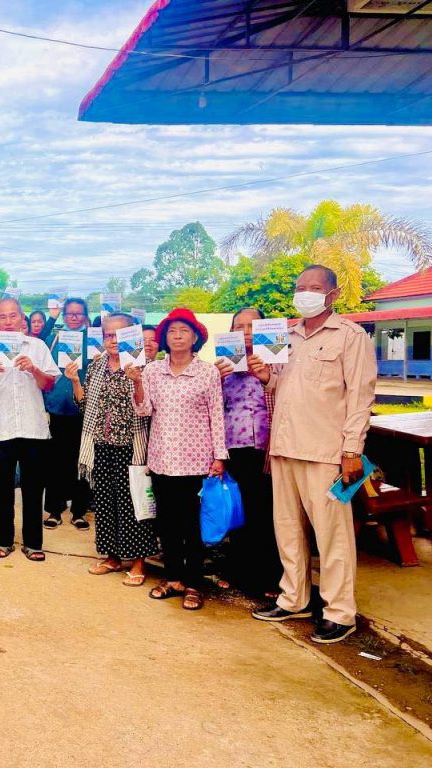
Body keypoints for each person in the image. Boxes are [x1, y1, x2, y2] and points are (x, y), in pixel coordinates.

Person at [249, 265, 376, 644]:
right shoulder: (287, 336)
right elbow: (287, 387)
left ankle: (339, 612)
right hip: (284, 447)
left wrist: (352, 451)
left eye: (315, 288)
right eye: (300, 287)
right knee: (287, 529)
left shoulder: (350, 336)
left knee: (333, 536)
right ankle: (294, 599)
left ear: (333, 295)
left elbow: (360, 396)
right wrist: (267, 378)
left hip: (326, 452)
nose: (305, 293)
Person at [129, 308, 227, 611]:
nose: (178, 336)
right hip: (162, 459)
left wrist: (219, 456)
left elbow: (216, 415)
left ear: (195, 337)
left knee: (192, 526)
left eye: (184, 331)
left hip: (196, 461)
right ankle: (172, 578)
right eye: (172, 331)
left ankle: (194, 583)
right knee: (168, 523)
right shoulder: (153, 371)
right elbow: (144, 410)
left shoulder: (207, 372)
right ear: (165, 338)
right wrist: (137, 383)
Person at [69, 312, 154, 586]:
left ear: (132, 335)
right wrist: (75, 381)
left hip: (133, 446)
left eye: (119, 334)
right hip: (101, 444)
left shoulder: (145, 366)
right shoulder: (96, 366)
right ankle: (112, 557)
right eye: (108, 335)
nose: (113, 340)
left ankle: (138, 562)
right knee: (105, 503)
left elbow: (149, 407)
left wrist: (137, 380)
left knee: (134, 505)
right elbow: (84, 407)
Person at [0, 297, 59, 561]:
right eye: (2, 317)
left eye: (13, 316)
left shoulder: (37, 346)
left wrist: (33, 369)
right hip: (1, 429)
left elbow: (49, 384)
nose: (8, 321)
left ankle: (33, 543)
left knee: (33, 489)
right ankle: (3, 540)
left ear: (23, 319)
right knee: (1, 489)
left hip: (33, 429)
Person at [215, 308, 281, 598]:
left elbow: (289, 395)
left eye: (252, 326)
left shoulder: (278, 360)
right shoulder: (223, 365)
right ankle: (239, 570)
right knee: (237, 510)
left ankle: (270, 576)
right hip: (232, 447)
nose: (245, 332)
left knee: (265, 511)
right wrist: (215, 379)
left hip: (268, 448)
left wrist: (266, 376)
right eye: (238, 326)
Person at [43, 298, 93, 530]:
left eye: (78, 313)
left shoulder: (93, 340)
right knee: (55, 462)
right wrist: (51, 317)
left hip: (85, 409)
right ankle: (55, 509)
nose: (74, 317)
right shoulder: (54, 338)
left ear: (85, 316)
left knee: (82, 461)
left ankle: (79, 511)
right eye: (70, 313)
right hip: (56, 408)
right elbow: (37, 344)